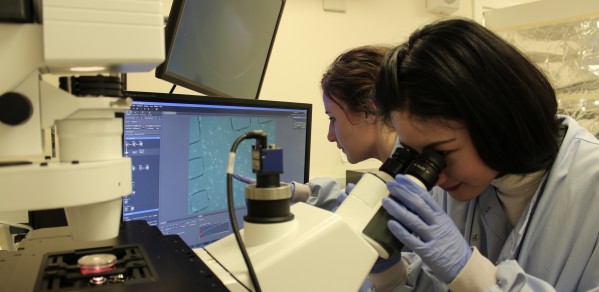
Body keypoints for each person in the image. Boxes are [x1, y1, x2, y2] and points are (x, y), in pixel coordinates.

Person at [369, 18, 599, 291]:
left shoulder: (591, 184)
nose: (436, 177)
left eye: (442, 152)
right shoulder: (460, 184)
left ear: (498, 120)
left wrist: (472, 276)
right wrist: (392, 275)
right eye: (416, 154)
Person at [236, 45, 400, 211]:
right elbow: (348, 198)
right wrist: (297, 192)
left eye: (333, 118)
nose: (330, 136)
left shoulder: (414, 187)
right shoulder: (398, 173)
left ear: (368, 110)